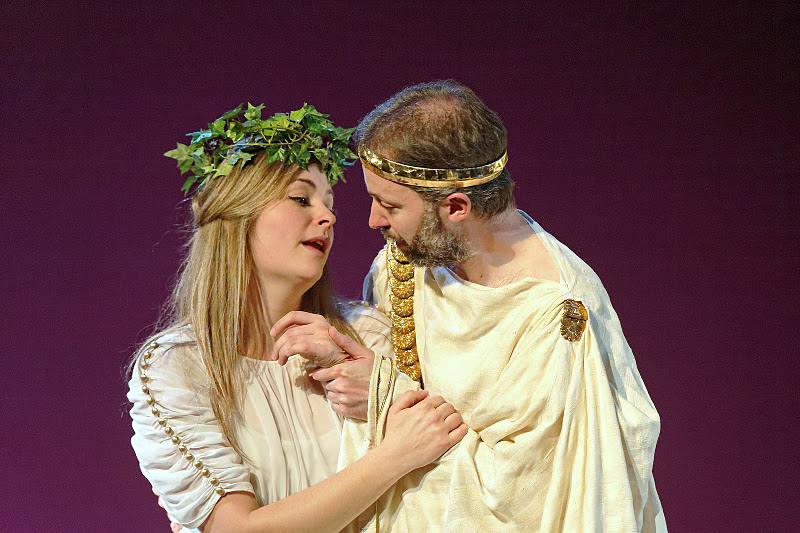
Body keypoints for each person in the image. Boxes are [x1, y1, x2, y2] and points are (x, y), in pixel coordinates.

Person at [277, 81, 667, 531]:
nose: (373, 220)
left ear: (457, 206)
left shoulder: (553, 314)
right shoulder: (407, 263)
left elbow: (526, 499)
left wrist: (386, 396)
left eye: (390, 205)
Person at [127, 103, 467, 533]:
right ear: (236, 214)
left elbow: (447, 470)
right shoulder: (178, 367)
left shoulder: (367, 336)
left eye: (329, 204)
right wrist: (394, 456)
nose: (328, 217)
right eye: (300, 199)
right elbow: (236, 530)